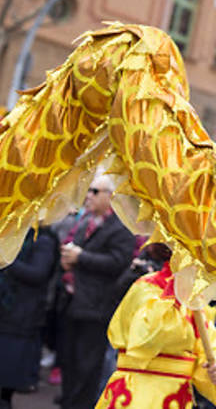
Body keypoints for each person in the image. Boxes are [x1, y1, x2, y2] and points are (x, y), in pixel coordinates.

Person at [96, 253, 216, 408]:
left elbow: (211, 347)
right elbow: (147, 339)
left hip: (177, 398)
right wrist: (174, 293)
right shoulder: (146, 286)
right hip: (136, 395)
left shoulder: (196, 301)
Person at [58, 174, 136, 409]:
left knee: (87, 366)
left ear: (111, 197)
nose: (88, 196)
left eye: (95, 191)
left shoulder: (121, 227)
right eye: (89, 190)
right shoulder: (85, 221)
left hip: (96, 307)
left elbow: (118, 262)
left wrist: (81, 257)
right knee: (68, 361)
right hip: (72, 301)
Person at [0, 228, 58, 409]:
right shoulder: (12, 234)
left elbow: (38, 273)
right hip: (8, 312)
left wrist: (6, 261)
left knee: (8, 376)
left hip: (21, 315)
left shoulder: (43, 239)